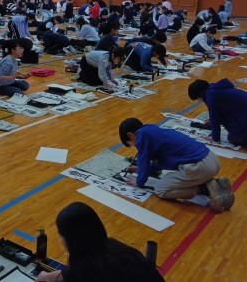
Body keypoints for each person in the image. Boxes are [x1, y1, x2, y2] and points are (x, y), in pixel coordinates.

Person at [119, 118, 234, 212]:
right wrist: (139, 170)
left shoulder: (142, 136)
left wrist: (139, 182)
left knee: (160, 189)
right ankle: (213, 183)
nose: (136, 147)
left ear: (131, 135)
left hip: (199, 167)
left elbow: (143, 161)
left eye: (132, 144)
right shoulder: (152, 131)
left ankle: (203, 188)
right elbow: (159, 164)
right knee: (177, 176)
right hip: (211, 160)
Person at [35, 201, 164, 282]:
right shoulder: (112, 246)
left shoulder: (88, 268)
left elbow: (80, 272)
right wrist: (49, 276)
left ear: (73, 240)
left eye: (61, 234)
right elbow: (73, 273)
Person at [188, 79, 247, 146]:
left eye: (197, 99)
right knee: (239, 130)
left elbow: (215, 118)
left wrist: (214, 137)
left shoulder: (211, 96)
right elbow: (221, 113)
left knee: (234, 138)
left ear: (199, 95)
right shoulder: (217, 89)